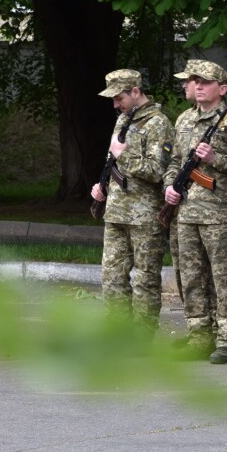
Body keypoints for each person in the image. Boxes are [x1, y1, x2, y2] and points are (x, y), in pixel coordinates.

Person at [164, 60, 227, 364]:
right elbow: (175, 161)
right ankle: (200, 334)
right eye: (194, 81)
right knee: (191, 277)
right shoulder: (185, 120)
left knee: (223, 278)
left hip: (218, 213)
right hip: (186, 212)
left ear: (222, 89)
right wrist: (169, 187)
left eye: (205, 82)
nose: (198, 86)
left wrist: (215, 159)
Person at [91, 69, 174, 336]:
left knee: (144, 279)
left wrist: (123, 157)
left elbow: (157, 171)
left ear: (135, 91)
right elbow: (112, 160)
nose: (115, 104)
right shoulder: (123, 120)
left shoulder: (158, 123)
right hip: (116, 211)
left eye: (119, 98)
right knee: (112, 277)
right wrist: (102, 184)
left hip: (144, 215)